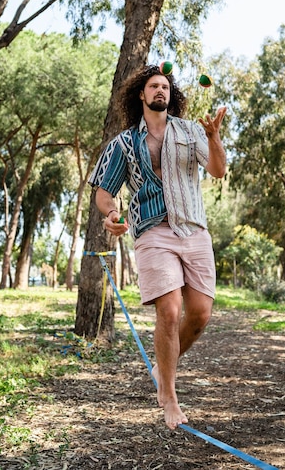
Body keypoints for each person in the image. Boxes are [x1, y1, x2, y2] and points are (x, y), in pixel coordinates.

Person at [89, 64, 227, 430]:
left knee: (198, 315)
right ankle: (168, 395)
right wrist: (113, 213)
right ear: (142, 94)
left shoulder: (191, 130)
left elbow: (217, 170)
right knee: (169, 310)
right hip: (151, 230)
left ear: (171, 94)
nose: (160, 91)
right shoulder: (123, 143)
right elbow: (104, 192)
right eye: (154, 86)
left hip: (194, 229)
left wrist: (213, 138)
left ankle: (162, 365)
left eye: (165, 86)